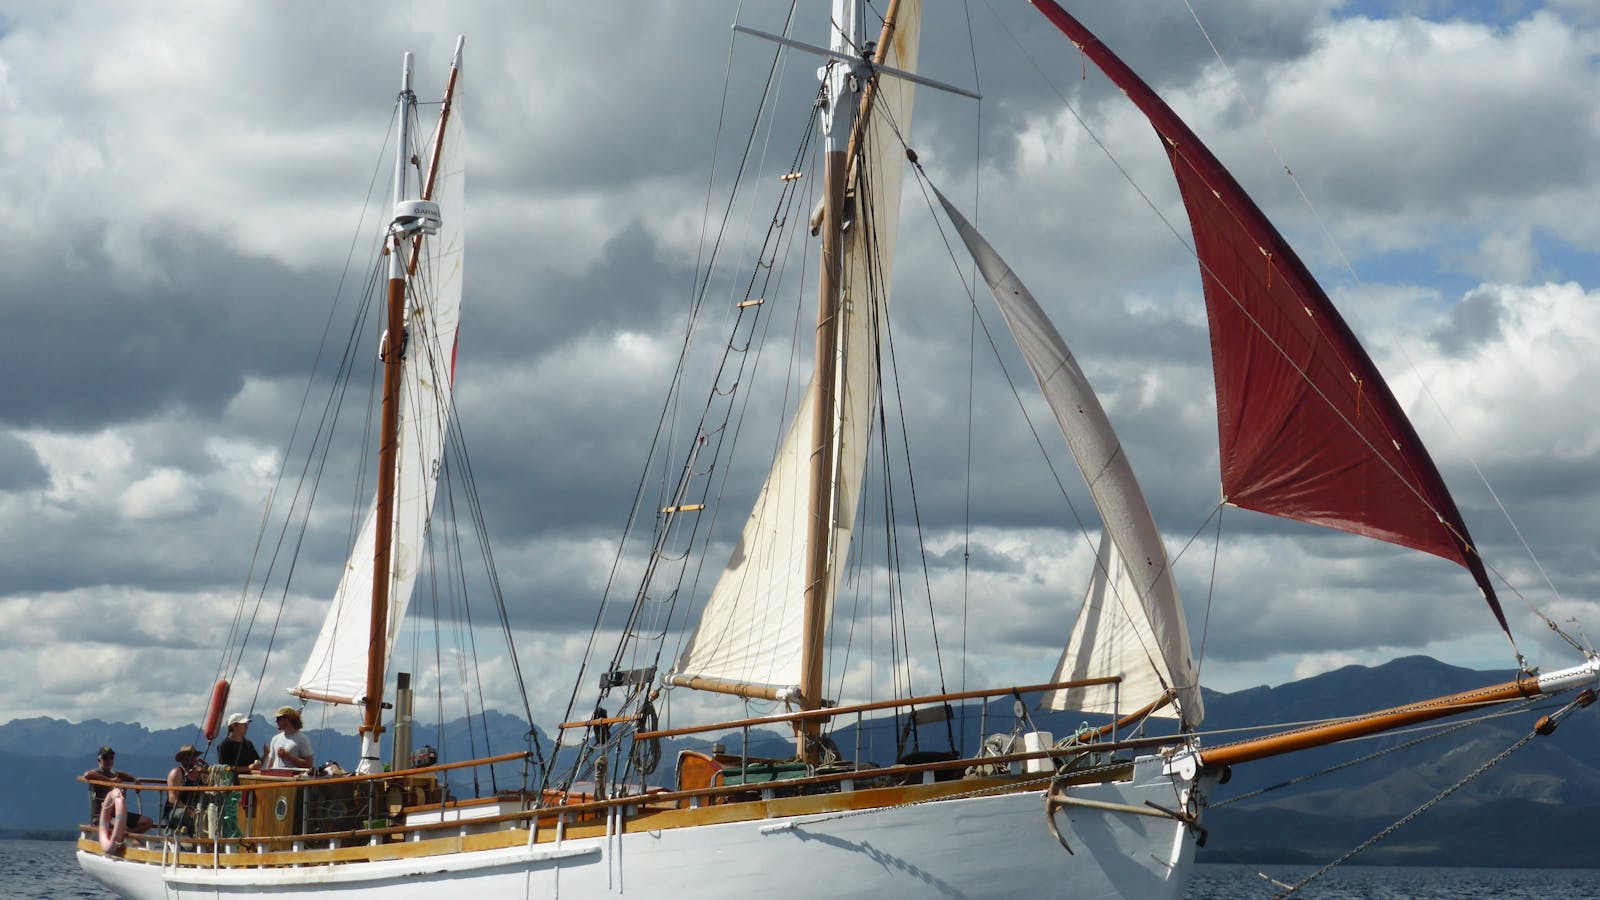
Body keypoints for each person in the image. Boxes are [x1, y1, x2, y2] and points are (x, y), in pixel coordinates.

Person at [83, 746, 153, 834]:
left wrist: (134, 779)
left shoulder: (113, 773)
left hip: (117, 814)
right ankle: (125, 835)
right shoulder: (96, 773)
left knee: (148, 822)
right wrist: (110, 780)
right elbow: (87, 775)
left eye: (111, 757)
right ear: (99, 760)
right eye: (105, 758)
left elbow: (120, 773)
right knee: (121, 826)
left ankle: (126, 835)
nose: (109, 760)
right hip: (100, 816)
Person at [164, 745, 207, 834]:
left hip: (196, 808)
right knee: (184, 814)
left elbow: (209, 785)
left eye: (194, 755)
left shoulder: (200, 773)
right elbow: (172, 799)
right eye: (189, 755)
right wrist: (189, 811)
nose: (193, 758)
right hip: (175, 811)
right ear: (182, 758)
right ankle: (195, 837)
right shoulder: (177, 773)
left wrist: (206, 768)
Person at [266, 706, 314, 771]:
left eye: (278, 718)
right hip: (275, 776)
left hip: (293, 776)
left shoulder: (302, 739)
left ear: (287, 719)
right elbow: (270, 764)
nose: (276, 721)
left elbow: (309, 765)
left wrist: (288, 757)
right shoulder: (275, 739)